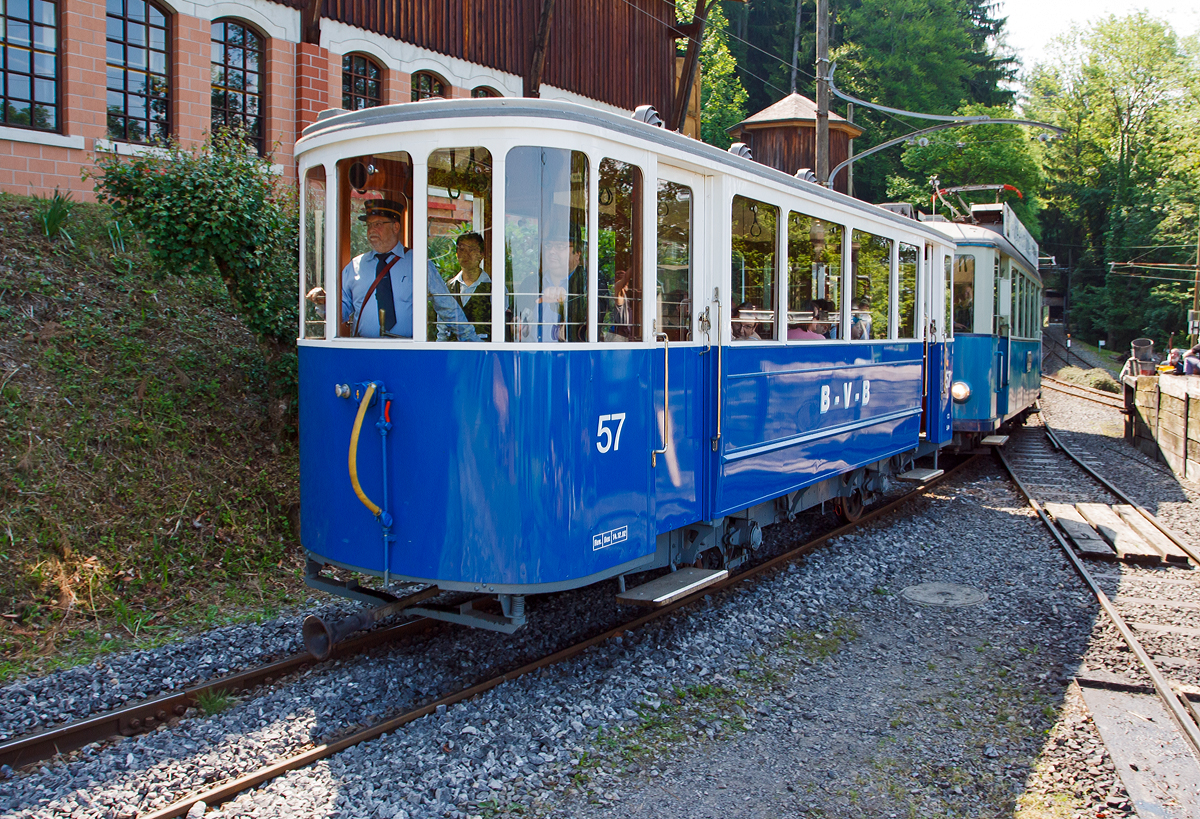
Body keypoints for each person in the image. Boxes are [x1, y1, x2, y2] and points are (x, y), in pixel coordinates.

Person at [305, 199, 477, 340]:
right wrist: (324, 302)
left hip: (405, 353)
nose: (371, 230)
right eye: (369, 225)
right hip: (363, 353)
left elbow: (446, 306)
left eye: (378, 224)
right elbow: (342, 312)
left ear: (395, 227)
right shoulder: (355, 266)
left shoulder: (417, 263)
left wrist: (472, 342)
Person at [446, 232, 491, 339]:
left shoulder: (493, 288)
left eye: (472, 249)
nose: (466, 254)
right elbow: (441, 326)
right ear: (456, 254)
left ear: (481, 254)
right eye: (462, 249)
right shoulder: (448, 287)